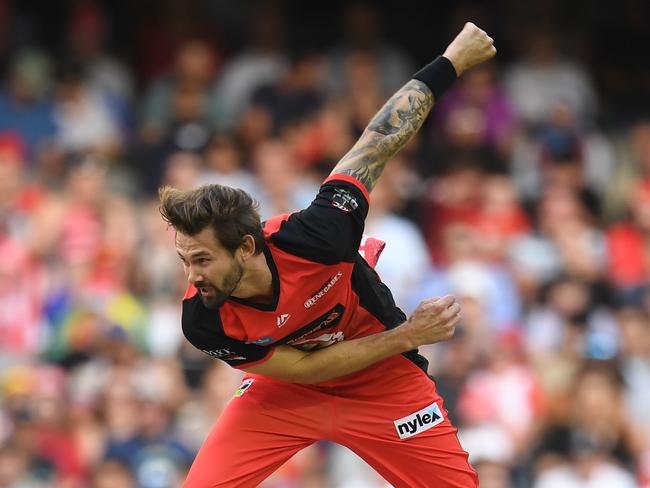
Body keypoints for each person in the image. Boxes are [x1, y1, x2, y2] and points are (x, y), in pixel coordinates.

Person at [160, 22, 496, 487]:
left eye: (202, 260)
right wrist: (409, 334)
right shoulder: (203, 319)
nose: (192, 276)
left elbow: (378, 140)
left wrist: (451, 62)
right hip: (286, 392)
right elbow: (306, 370)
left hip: (383, 384)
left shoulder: (319, 234)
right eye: (185, 261)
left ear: (246, 247)